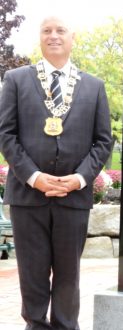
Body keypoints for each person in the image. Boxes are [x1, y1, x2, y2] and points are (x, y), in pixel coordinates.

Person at [0, 16, 112, 329]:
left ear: (72, 37)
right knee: (32, 272)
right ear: (39, 38)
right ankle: (35, 325)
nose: (53, 36)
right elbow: (5, 134)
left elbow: (104, 141)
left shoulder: (94, 86)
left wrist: (79, 178)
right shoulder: (16, 79)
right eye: (46, 30)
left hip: (72, 197)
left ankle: (66, 326)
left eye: (60, 30)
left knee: (68, 274)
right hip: (28, 195)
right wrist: (34, 176)